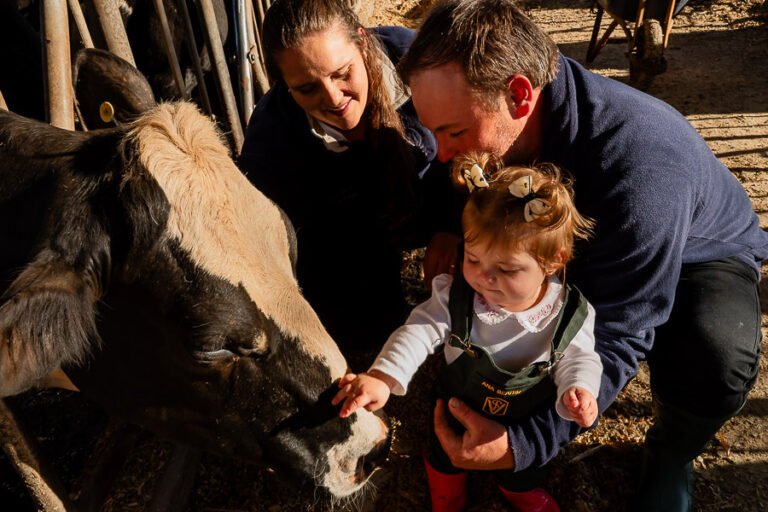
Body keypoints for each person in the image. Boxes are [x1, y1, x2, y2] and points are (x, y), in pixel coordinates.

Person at [394, 0, 768, 510]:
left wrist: (525, 444)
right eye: (434, 129)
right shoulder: (501, 114)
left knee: (715, 355)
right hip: (570, 240)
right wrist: (446, 220)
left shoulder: (641, 168)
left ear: (519, 95)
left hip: (691, 253)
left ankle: (673, 450)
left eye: (454, 132)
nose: (442, 153)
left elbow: (619, 327)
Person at [333, 152, 603, 511]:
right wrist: (383, 376)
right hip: (459, 403)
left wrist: (579, 387)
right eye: (473, 259)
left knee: (524, 467)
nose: (484, 277)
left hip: (523, 417)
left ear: (555, 260)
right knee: (444, 449)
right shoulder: (457, 296)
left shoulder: (569, 314)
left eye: (507, 269)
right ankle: (447, 492)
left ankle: (517, 489)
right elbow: (419, 330)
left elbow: (580, 356)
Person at [237, 0, 456, 351]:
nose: (334, 97)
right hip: (353, 241)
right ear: (285, 88)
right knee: (362, 336)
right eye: (307, 89)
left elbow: (479, 143)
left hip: (436, 199)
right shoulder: (271, 142)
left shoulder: (420, 61)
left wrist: (455, 221)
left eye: (342, 72)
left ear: (362, 41)